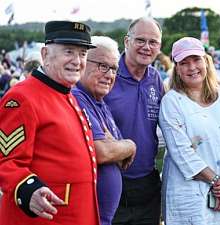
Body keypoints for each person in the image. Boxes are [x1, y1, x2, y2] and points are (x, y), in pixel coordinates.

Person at [0, 21, 100, 225]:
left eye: (82, 53)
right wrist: (29, 189)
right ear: (45, 54)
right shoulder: (22, 97)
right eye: (69, 51)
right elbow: (6, 161)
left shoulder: (69, 95)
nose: (77, 61)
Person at [159, 37, 220, 225]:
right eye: (184, 63)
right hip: (191, 194)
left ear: (206, 61)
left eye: (196, 60)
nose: (192, 67)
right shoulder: (172, 101)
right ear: (176, 68)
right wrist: (217, 182)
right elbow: (181, 151)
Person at [104, 17, 164, 225]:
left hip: (148, 184)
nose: (147, 47)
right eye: (140, 40)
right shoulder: (107, 75)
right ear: (126, 41)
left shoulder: (155, 78)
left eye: (153, 42)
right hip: (112, 183)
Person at [71, 36, 137, 225]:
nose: (109, 74)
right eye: (102, 65)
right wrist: (130, 146)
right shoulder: (78, 97)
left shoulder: (99, 102)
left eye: (114, 68)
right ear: (83, 63)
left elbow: (119, 155)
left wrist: (119, 148)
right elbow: (103, 152)